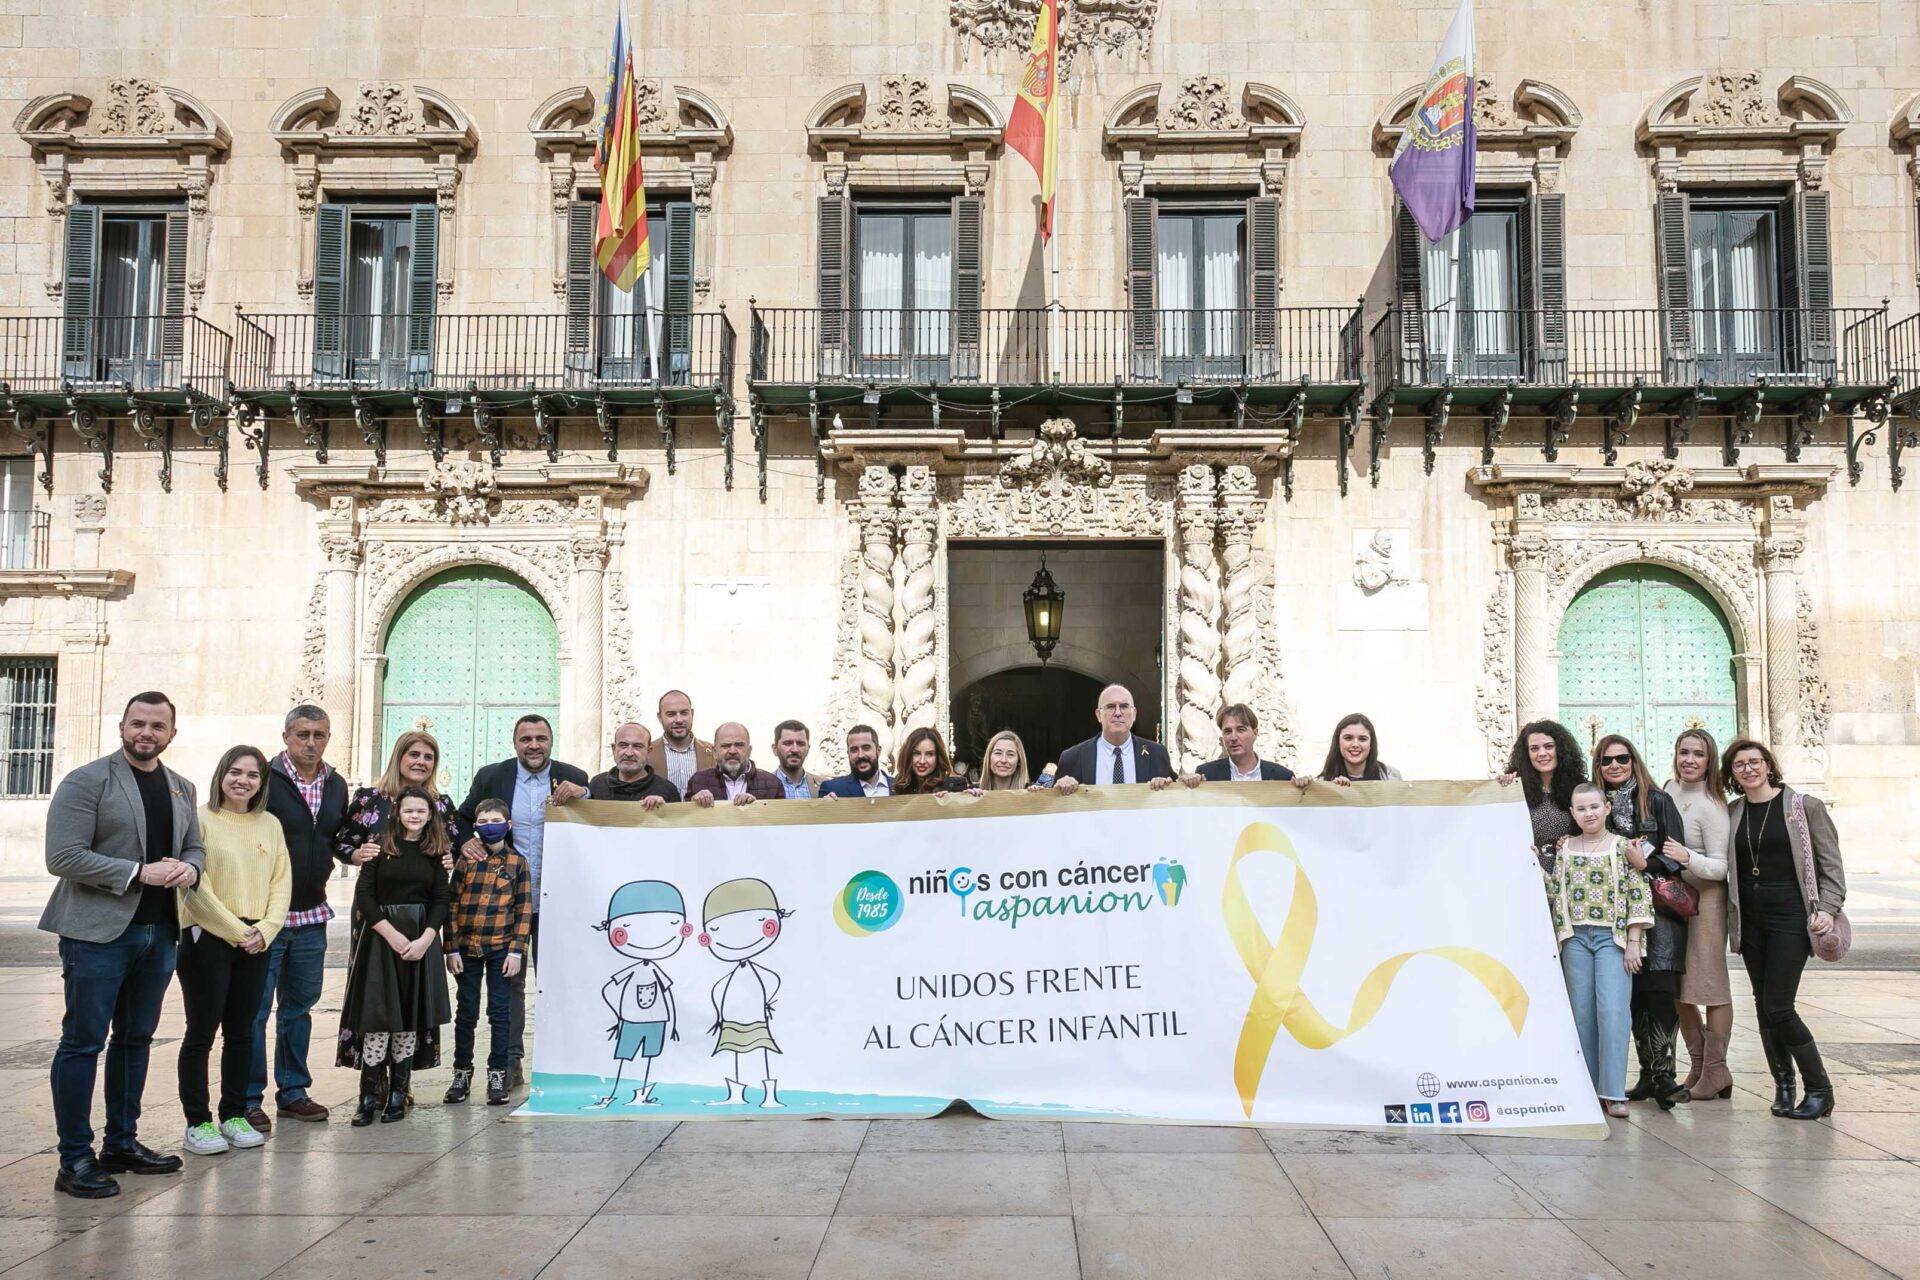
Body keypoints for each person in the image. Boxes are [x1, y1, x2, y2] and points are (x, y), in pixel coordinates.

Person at [42, 692, 205, 1199]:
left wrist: (191, 867)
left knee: (135, 1040)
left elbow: (194, 846)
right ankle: (74, 1158)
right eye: (138, 723)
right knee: (83, 1042)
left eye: (157, 726)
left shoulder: (181, 787)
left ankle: (121, 1143)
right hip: (97, 936)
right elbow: (62, 856)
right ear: (122, 726)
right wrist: (138, 873)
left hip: (159, 933)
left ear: (172, 733)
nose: (146, 733)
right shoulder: (87, 780)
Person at [456, 714, 589, 1086]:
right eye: (526, 738)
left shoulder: (573, 776)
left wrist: (584, 793)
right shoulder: (491, 776)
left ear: (551, 741)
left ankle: (562, 1059)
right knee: (508, 980)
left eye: (540, 738)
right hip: (506, 902)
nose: (534, 745)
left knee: (557, 979)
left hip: (557, 897)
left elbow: (598, 816)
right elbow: (462, 818)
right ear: (515, 743)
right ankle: (510, 1060)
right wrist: (465, 843)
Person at [176, 745, 291, 1156]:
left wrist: (267, 929)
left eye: (253, 775)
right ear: (221, 774)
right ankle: (197, 1122)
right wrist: (236, 931)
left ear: (262, 782)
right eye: (235, 772)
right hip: (207, 937)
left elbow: (281, 881)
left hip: (256, 940)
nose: (243, 781)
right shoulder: (198, 819)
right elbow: (195, 885)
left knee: (242, 1032)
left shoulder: (270, 824)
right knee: (201, 1033)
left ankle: (234, 1114)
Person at [1725, 737, 1846, 1121]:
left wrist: (1828, 908)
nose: (1748, 769)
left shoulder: (1804, 807)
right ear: (1732, 773)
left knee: (1779, 1005)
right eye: (1739, 764)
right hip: (1750, 921)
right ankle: (1784, 1086)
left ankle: (1820, 1089)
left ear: (1768, 764)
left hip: (1790, 919)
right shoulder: (1733, 812)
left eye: (1755, 761)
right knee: (1763, 1005)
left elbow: (1831, 866)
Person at [249, 704, 348, 1132]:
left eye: (319, 735)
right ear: (286, 736)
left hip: (311, 915)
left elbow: (338, 839)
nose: (311, 742)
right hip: (264, 917)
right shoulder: (262, 779)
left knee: (298, 1009)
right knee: (254, 1011)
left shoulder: (336, 784)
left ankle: (292, 1092)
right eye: (303, 734)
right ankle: (247, 1098)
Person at [338, 787, 452, 1127]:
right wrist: (390, 933)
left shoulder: (436, 853)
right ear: (397, 813)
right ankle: (368, 1096)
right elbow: (365, 896)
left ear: (430, 815)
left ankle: (398, 1094)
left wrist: (426, 939)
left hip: (419, 940)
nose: (414, 816)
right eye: (408, 810)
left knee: (408, 1018)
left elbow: (441, 900)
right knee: (378, 1017)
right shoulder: (379, 848)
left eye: (421, 811)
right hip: (382, 940)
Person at [1594, 733, 1691, 1109]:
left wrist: (1645, 863)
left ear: (1633, 761)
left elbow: (1676, 856)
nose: (1614, 765)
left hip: (1659, 910)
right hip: (1616, 911)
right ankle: (1648, 1074)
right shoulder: (1596, 805)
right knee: (1632, 994)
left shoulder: (1658, 801)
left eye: (1622, 758)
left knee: (1660, 990)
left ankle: (1665, 1076)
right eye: (1606, 760)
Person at [1546, 782, 1654, 1120]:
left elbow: (1639, 893)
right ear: (1572, 813)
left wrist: (1633, 942)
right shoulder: (1566, 849)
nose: (1589, 813)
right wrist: (1532, 864)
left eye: (1594, 806)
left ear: (1607, 808)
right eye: (1581, 809)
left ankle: (1613, 1092)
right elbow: (1556, 892)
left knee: (1613, 1011)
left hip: (1613, 939)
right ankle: (1587, 1089)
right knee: (1581, 1014)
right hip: (1575, 938)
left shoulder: (1623, 847)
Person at [443, 798, 531, 1107]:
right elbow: (451, 905)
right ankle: (461, 1073)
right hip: (467, 948)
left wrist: (517, 952)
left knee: (500, 1013)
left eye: (496, 821)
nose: (489, 826)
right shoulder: (466, 860)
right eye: (483, 822)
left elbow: (523, 909)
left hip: (501, 949)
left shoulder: (518, 863)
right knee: (466, 1012)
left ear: (508, 825)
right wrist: (451, 948)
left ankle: (498, 1073)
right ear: (475, 826)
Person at [1665, 728, 1733, 1101]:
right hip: (1674, 902)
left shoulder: (1712, 805)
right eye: (1684, 752)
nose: (1689, 760)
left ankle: (1716, 1069)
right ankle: (1698, 1063)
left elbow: (1721, 868)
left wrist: (1687, 857)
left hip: (1705, 904)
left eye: (1698, 754)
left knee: (1711, 985)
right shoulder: (1669, 789)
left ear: (1710, 761)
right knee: (1679, 987)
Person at [1053, 684, 1178, 793]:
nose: (1118, 713)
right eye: (1111, 706)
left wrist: (1177, 785)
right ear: (1099, 715)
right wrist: (1058, 790)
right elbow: (1054, 805)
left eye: (1124, 706)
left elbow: (1175, 797)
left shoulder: (1157, 754)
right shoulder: (1072, 758)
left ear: (1134, 714)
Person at [1503, 719, 1586, 866]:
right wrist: (1500, 788)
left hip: (1570, 869)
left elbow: (1594, 830)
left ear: (1560, 749)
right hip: (1526, 869)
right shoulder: (1515, 789)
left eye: (1549, 746)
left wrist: (1576, 840)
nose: (1542, 753)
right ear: (1526, 754)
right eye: (1534, 749)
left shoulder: (1580, 789)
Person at [685, 722, 785, 806]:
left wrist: (755, 807)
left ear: (749, 751)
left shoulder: (773, 784)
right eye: (726, 745)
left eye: (739, 745)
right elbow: (685, 819)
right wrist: (694, 803)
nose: (732, 751)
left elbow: (780, 820)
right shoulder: (698, 782)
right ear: (714, 752)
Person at [1191, 704, 1295, 782]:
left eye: (1241, 730)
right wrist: (1188, 786)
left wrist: (1303, 788)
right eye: (1227, 731)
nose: (1233, 737)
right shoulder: (1207, 775)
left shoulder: (1282, 776)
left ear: (1255, 733)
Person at [588, 722, 680, 807]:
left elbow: (677, 819)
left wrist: (663, 811)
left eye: (637, 746)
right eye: (623, 745)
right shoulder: (597, 784)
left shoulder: (667, 790)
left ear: (649, 751)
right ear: (613, 749)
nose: (629, 753)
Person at [1299, 713, 1402, 786]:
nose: (1355, 744)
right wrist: (1301, 788)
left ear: (1371, 743)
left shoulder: (1392, 778)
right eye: (1348, 738)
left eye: (1362, 739)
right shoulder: (1322, 783)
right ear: (1338, 742)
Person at [647, 689, 713, 799]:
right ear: (659, 717)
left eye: (684, 713)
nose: (679, 720)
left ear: (692, 714)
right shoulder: (647, 753)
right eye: (671, 714)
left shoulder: (713, 753)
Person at [821, 725, 893, 798]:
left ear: (878, 751)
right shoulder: (832, 789)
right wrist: (825, 804)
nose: (860, 755)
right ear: (848, 754)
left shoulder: (898, 787)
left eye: (866, 748)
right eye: (854, 750)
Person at [894, 726, 971, 795]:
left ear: (938, 757)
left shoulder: (953, 785)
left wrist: (971, 797)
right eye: (917, 753)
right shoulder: (900, 786)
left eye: (929, 754)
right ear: (908, 755)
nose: (922, 761)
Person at [771, 720, 825, 798]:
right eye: (788, 743)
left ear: (808, 749)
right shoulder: (761, 786)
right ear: (775, 749)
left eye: (801, 744)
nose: (795, 750)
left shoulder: (825, 785)